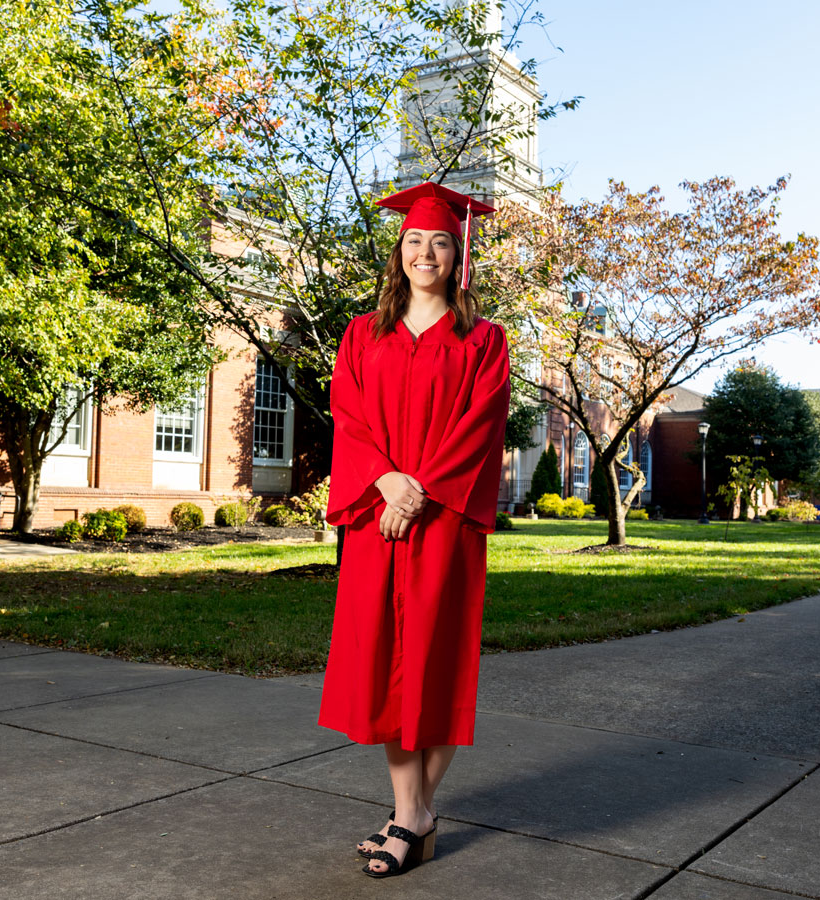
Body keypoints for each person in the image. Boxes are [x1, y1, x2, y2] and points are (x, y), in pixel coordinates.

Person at [318, 181, 511, 878]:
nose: (425, 252)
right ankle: (413, 814)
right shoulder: (361, 334)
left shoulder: (485, 341)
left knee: (437, 663)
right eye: (414, 242)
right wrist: (386, 481)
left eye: (439, 242)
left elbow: (481, 427)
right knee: (383, 667)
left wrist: (420, 488)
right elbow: (348, 414)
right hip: (379, 519)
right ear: (397, 254)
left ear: (458, 257)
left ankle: (411, 817)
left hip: (445, 522)